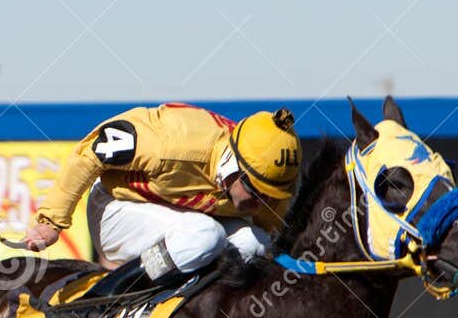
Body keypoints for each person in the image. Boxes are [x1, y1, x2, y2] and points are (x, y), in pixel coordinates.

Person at [22, 103, 300, 293]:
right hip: (114, 208)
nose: (262, 202)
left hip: (182, 222)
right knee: (205, 234)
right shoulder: (172, 145)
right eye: (256, 192)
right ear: (232, 165)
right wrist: (51, 222)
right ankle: (108, 294)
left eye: (271, 195)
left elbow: (270, 239)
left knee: (255, 244)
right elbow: (88, 154)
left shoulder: (265, 183)